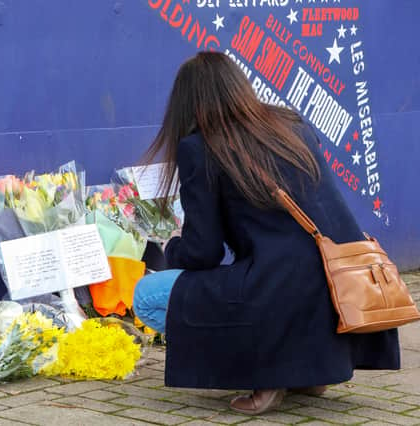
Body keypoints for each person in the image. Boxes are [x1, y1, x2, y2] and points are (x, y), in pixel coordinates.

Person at [132, 51, 400, 415]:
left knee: (147, 295)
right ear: (239, 87)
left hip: (279, 292)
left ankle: (268, 373)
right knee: (281, 279)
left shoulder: (199, 147)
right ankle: (306, 371)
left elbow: (204, 252)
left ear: (187, 103)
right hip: (342, 285)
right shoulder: (293, 124)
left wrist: (171, 249)